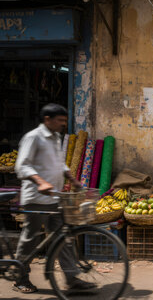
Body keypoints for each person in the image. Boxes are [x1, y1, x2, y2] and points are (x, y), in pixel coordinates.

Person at [14, 104, 94, 293]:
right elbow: (21, 166)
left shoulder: (56, 138)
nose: (63, 124)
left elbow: (60, 164)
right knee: (30, 240)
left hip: (55, 198)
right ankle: (20, 278)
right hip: (36, 198)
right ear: (47, 119)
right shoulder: (33, 137)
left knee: (63, 237)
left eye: (64, 121)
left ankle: (71, 278)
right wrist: (40, 181)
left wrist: (73, 180)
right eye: (60, 120)